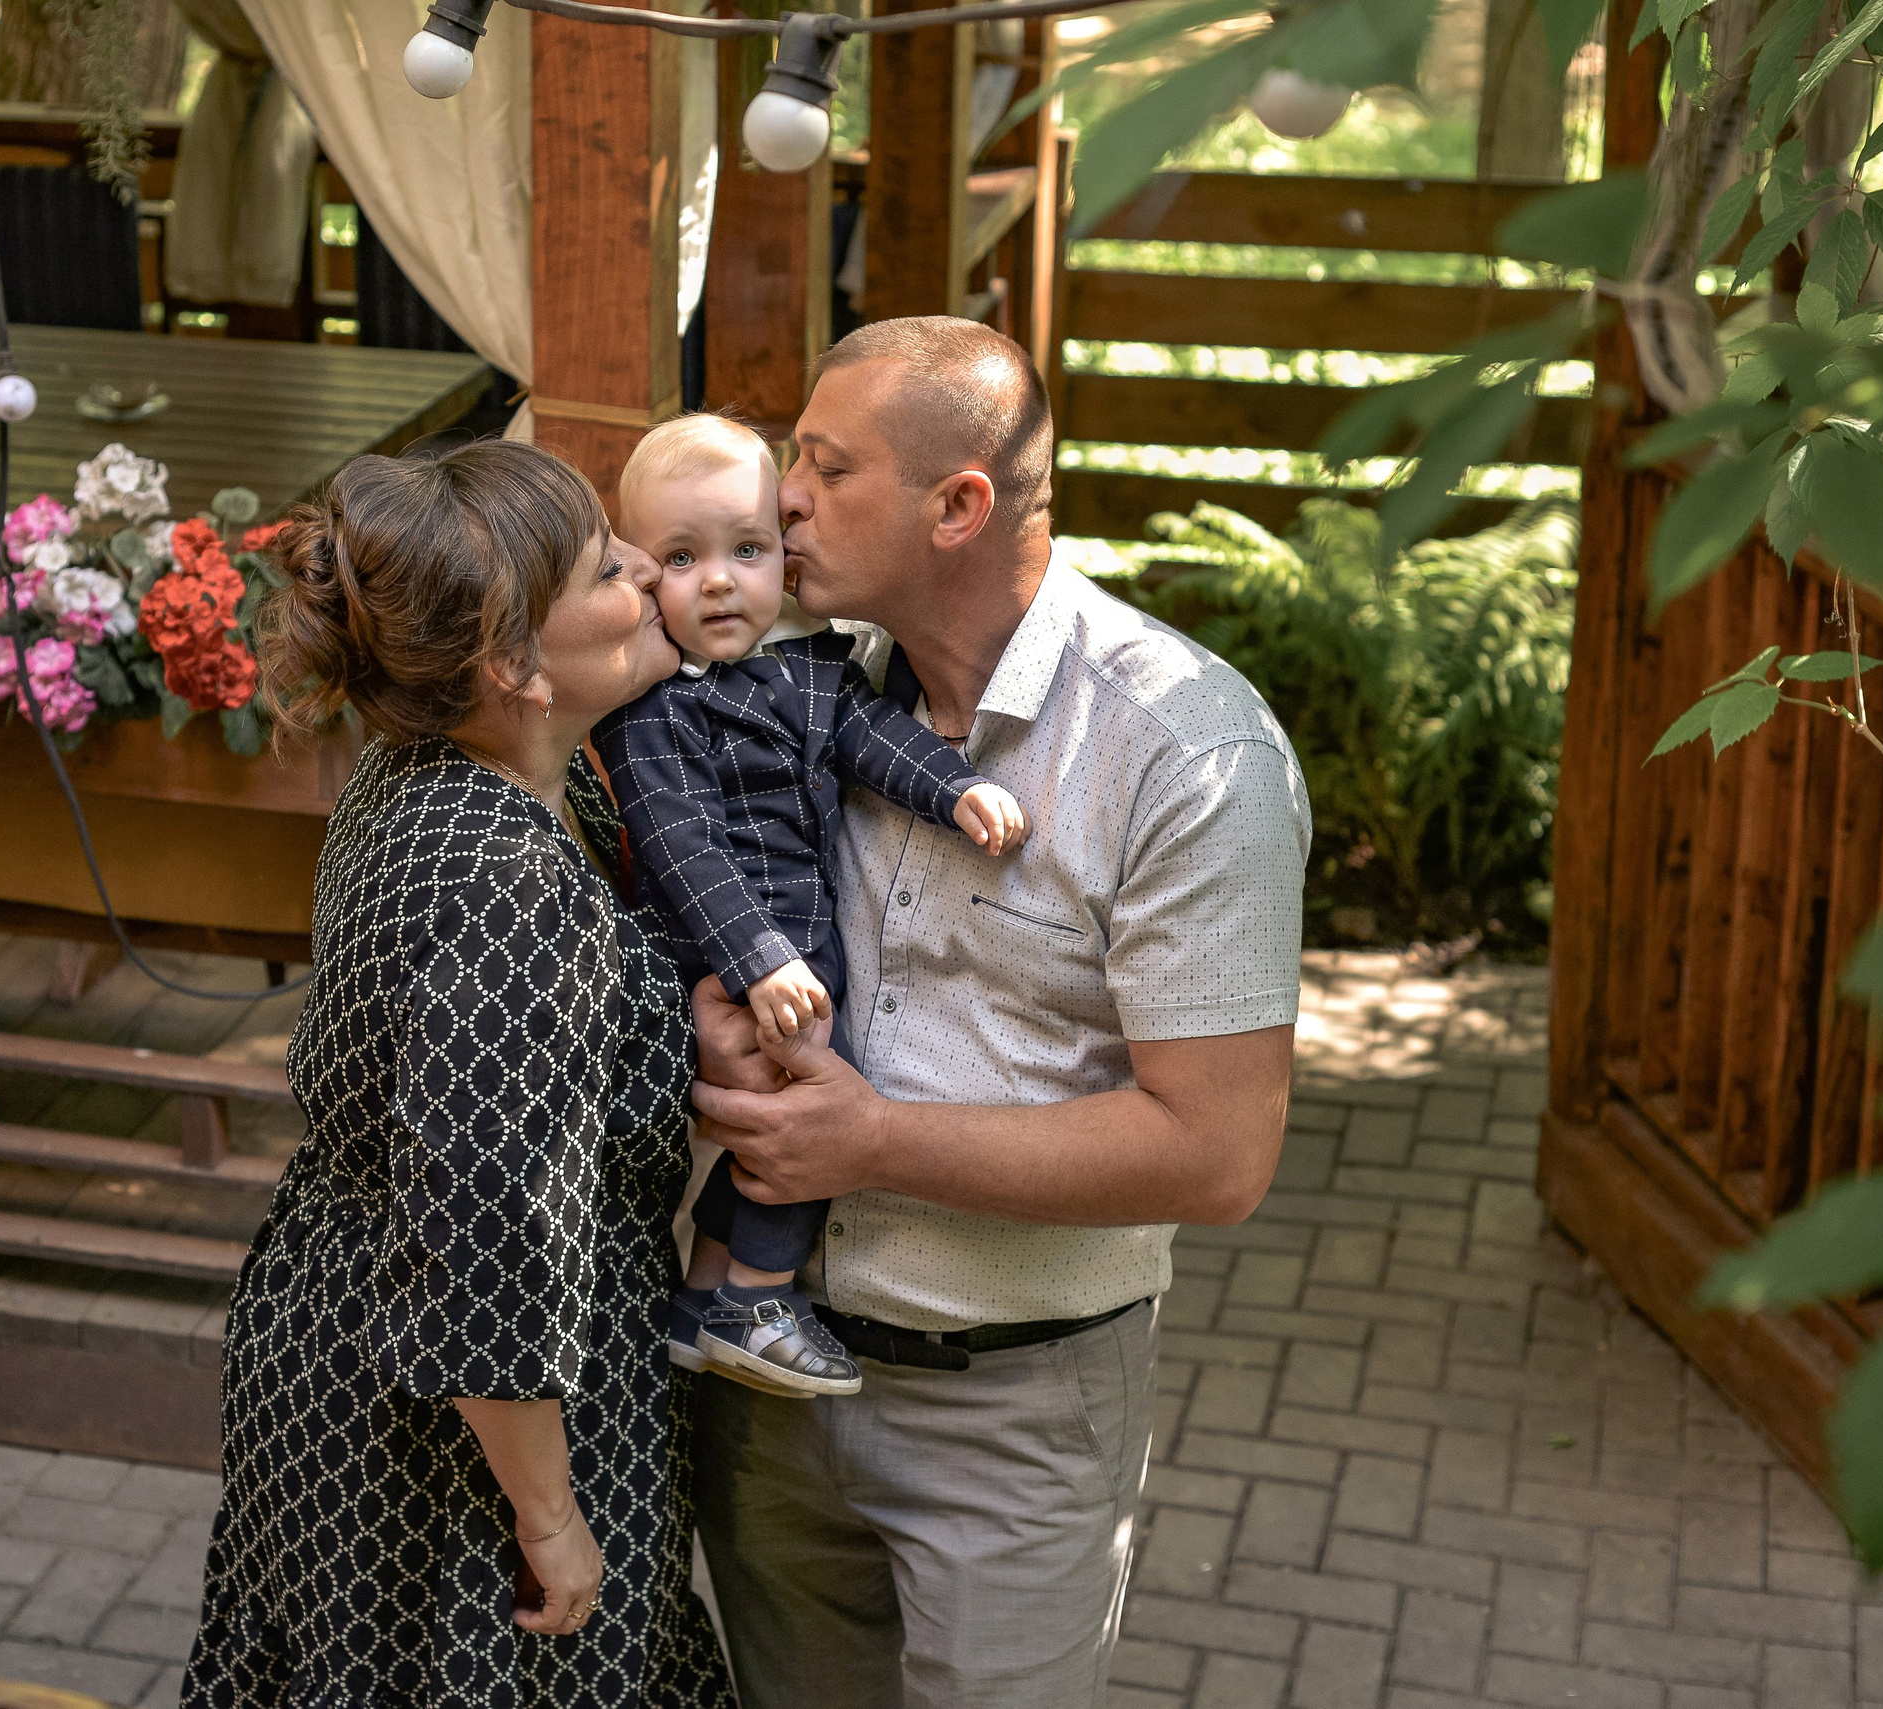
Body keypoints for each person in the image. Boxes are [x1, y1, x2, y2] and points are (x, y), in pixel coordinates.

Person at [687, 317, 1313, 1708]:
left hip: (1016, 1415)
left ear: (959, 504)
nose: (781, 496)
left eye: (825, 465)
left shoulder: (1186, 752)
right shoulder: (799, 679)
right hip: (763, 1373)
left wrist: (874, 1143)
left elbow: (1218, 1156)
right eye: (793, 453)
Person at [180, 440, 734, 1709]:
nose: (650, 572)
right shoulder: (506, 890)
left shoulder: (433, 767)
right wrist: (549, 1517)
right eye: (607, 567)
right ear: (513, 668)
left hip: (343, 1327)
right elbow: (488, 1241)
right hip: (440, 1432)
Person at [593, 412, 1027, 1401]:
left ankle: (706, 1294)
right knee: (813, 1111)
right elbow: (677, 844)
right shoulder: (652, 706)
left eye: (745, 550)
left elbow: (873, 738)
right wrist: (753, 957)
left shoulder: (809, 666)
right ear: (641, 570)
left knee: (777, 1122)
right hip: (723, 952)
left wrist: (954, 789)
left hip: (799, 943)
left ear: (778, 555)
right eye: (679, 556)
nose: (717, 579)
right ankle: (760, 1294)